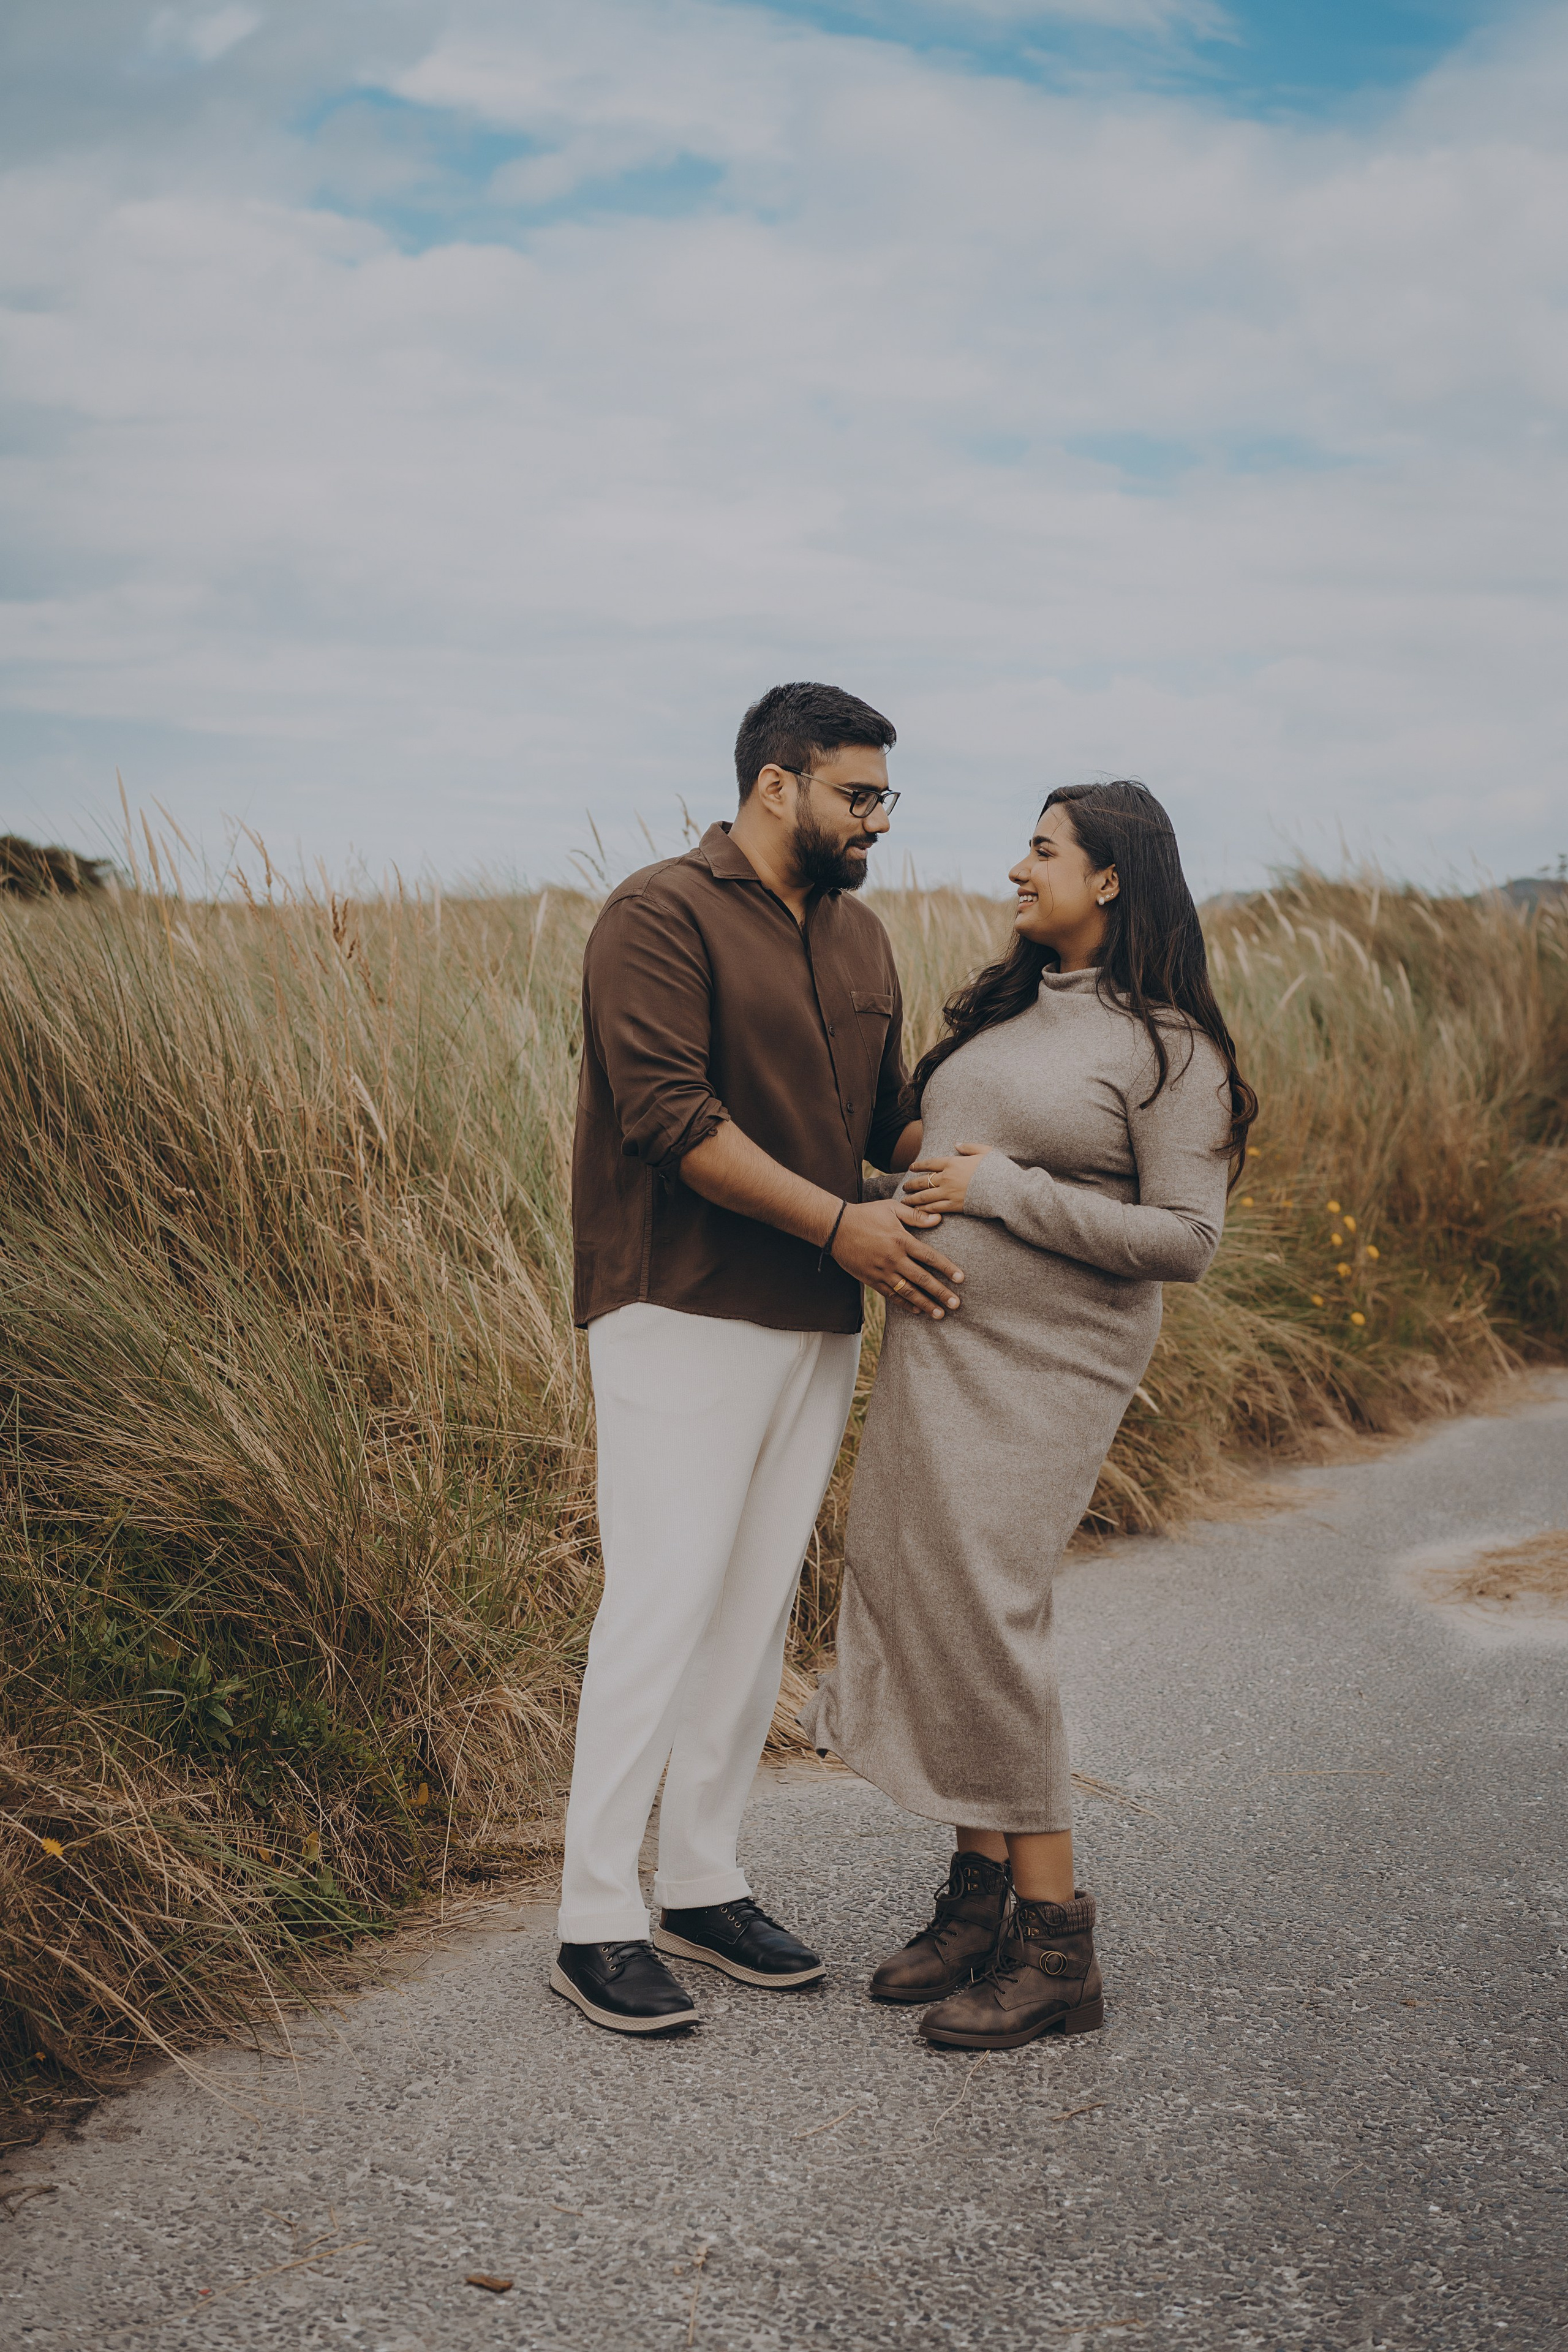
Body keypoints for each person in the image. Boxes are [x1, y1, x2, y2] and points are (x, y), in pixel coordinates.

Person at [804, 780, 1256, 2049]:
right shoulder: (1007, 1013)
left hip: (1046, 1371)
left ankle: (1059, 1952)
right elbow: (940, 1165)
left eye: (1041, 851)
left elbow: (1182, 1241)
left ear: (1108, 877)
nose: (1016, 869)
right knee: (937, 1600)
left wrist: (1003, 1190)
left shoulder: (1171, 1050)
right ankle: (977, 1896)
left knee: (992, 1617)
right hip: (938, 1353)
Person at [552, 680, 967, 2035]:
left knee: (748, 1610)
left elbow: (887, 1118)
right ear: (776, 784)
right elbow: (672, 1117)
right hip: (676, 1301)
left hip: (815, 1313)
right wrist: (843, 1223)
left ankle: (703, 1880)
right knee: (661, 1603)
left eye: (882, 798)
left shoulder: (859, 938)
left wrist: (997, 1162)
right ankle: (594, 1917)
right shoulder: (656, 914)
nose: (876, 822)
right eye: (858, 795)